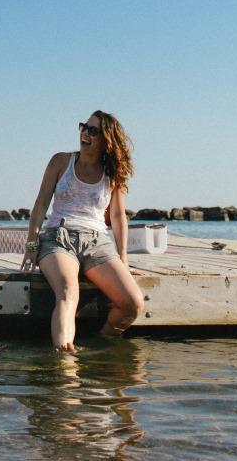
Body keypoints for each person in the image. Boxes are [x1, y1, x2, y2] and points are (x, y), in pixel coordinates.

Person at [20, 111, 146, 353]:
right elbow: (40, 204)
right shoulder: (60, 161)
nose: (85, 133)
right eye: (84, 127)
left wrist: (123, 259)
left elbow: (118, 218)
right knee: (68, 290)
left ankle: (100, 343)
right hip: (59, 238)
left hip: (97, 243)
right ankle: (65, 358)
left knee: (132, 304)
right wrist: (31, 246)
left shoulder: (113, 174)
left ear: (107, 139)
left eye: (93, 130)